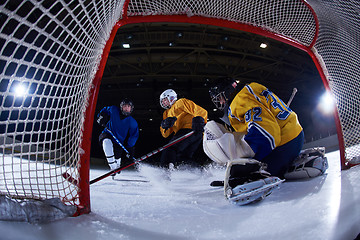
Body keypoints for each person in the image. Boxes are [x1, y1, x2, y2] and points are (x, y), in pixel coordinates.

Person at [203, 78, 328, 204]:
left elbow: (268, 133)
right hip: (294, 136)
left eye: (219, 98)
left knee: (214, 132)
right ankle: (291, 165)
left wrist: (249, 165)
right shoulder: (252, 88)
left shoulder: (239, 101)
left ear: (228, 91)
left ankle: (267, 172)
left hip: (283, 145)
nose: (220, 102)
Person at [159, 89, 208, 169]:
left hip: (189, 130)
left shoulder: (180, 103)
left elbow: (201, 111)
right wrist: (165, 125)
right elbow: (165, 134)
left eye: (165, 100)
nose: (163, 103)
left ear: (171, 98)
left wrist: (198, 119)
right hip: (192, 135)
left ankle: (165, 170)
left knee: (169, 148)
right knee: (181, 158)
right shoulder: (166, 113)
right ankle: (200, 172)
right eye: (162, 101)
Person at [97, 98, 139, 175]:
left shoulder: (132, 122)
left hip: (119, 142)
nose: (126, 108)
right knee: (106, 142)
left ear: (131, 108)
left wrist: (130, 148)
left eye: (128, 106)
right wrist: (101, 116)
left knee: (117, 160)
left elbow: (133, 136)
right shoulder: (114, 110)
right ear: (121, 107)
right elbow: (104, 110)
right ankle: (113, 168)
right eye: (124, 106)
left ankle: (117, 165)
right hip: (107, 134)